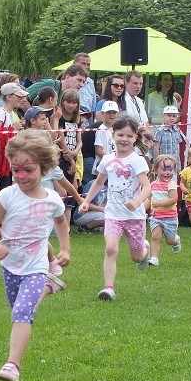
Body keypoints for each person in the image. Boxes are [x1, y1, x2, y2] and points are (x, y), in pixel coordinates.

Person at [0, 130, 69, 381]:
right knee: (19, 310)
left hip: (36, 266)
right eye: (16, 170)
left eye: (28, 170)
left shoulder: (53, 200)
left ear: (44, 168)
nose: (21, 176)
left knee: (22, 312)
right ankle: (49, 286)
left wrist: (65, 249)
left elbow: (61, 222)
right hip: (10, 266)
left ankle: (12, 365)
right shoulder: (7, 196)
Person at [79, 117, 151, 301]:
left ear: (135, 137)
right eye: (120, 135)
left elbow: (147, 187)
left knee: (136, 257)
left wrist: (136, 202)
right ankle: (108, 288)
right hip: (113, 214)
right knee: (111, 249)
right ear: (113, 135)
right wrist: (86, 201)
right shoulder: (107, 160)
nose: (124, 139)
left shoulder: (137, 160)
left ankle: (145, 250)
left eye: (129, 135)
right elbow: (98, 182)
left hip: (134, 216)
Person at [146, 154, 181, 266]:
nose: (167, 172)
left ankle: (176, 240)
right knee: (155, 237)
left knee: (169, 241)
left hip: (170, 217)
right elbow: (149, 199)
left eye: (171, 170)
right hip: (156, 217)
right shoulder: (152, 185)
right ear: (155, 169)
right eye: (163, 169)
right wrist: (141, 209)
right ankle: (154, 258)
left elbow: (173, 199)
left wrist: (159, 203)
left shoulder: (171, 185)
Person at [73, 53, 97, 119]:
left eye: (88, 64)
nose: (86, 67)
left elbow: (93, 107)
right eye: (83, 64)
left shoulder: (90, 83)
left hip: (88, 122)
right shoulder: (70, 80)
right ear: (74, 64)